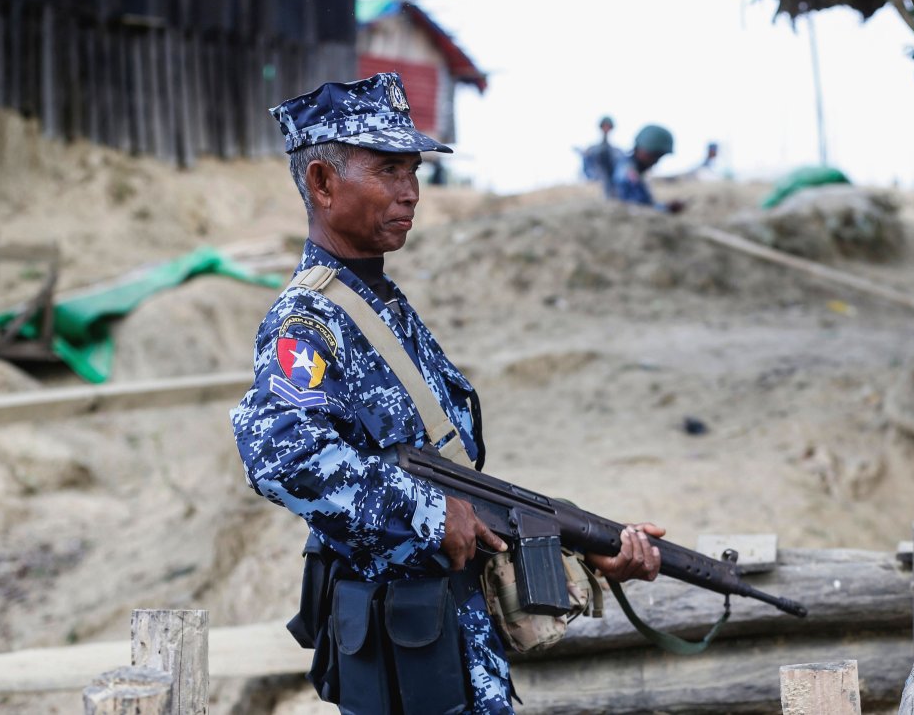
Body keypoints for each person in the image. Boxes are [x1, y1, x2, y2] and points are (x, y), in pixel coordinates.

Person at [230, 72, 664, 715]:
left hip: (456, 652)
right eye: (388, 171)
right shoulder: (309, 320)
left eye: (414, 172)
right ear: (322, 183)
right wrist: (427, 515)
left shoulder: (382, 307)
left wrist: (589, 548)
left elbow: (459, 487)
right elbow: (278, 455)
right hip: (406, 668)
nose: (410, 193)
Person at [609, 123, 686, 213]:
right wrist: (664, 209)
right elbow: (634, 205)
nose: (656, 162)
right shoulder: (626, 172)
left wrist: (666, 207)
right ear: (643, 151)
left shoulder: (634, 171)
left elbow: (646, 204)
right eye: (655, 155)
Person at [580, 114, 622, 194]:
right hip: (597, 180)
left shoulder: (617, 151)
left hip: (614, 182)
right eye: (604, 126)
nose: (606, 129)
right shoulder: (591, 149)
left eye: (608, 127)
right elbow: (587, 167)